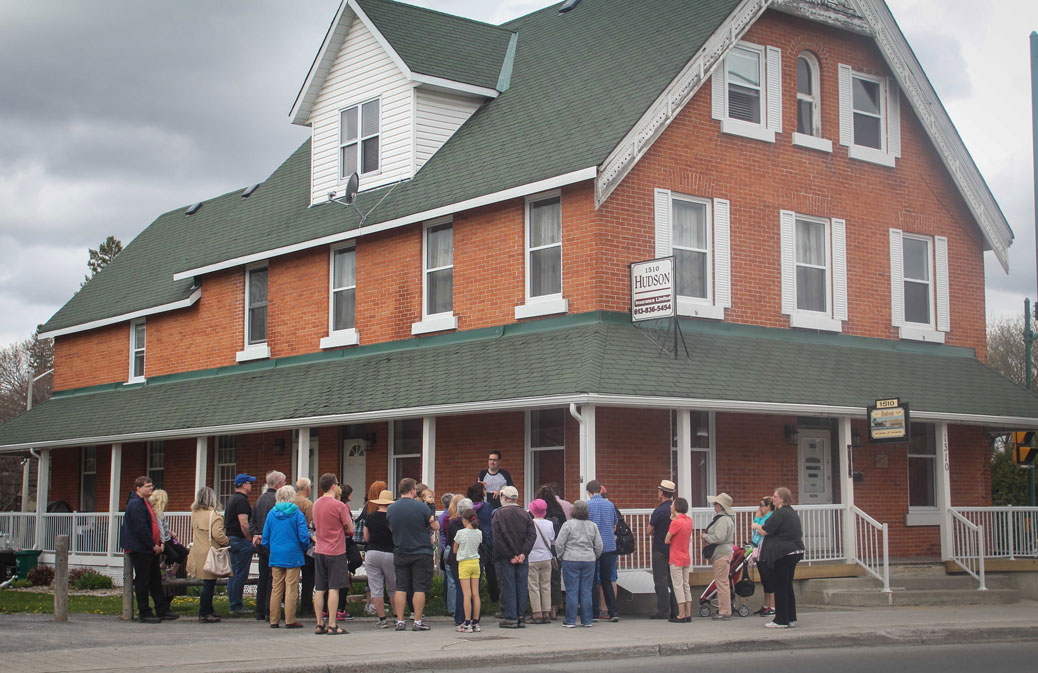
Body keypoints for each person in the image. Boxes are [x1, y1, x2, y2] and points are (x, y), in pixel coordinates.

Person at [120, 476, 177, 623]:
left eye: (151, 486)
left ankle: (161, 609)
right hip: (141, 548)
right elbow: (141, 528)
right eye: (147, 486)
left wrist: (159, 542)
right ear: (138, 488)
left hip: (150, 548)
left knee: (155, 580)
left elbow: (153, 525)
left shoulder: (145, 503)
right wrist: (152, 545)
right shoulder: (135, 504)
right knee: (143, 580)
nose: (150, 488)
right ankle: (144, 612)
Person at [386, 477, 438, 632]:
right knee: (419, 588)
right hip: (421, 551)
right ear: (412, 490)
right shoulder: (421, 507)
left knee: (401, 587)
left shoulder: (391, 508)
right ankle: (417, 621)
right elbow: (434, 525)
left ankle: (400, 621)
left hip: (401, 550)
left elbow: (390, 528)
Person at [753, 487, 804, 629]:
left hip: (782, 554)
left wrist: (756, 525)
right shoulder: (792, 513)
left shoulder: (779, 514)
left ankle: (781, 620)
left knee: (780, 586)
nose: (773, 499)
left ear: (781, 499)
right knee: (787, 585)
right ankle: (790, 618)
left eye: (775, 496)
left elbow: (765, 530)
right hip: (795, 552)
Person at [262, 484, 310, 629]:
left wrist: (272, 548)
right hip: (293, 554)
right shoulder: (297, 514)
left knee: (276, 588)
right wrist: (304, 548)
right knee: (291, 588)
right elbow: (303, 536)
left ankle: (274, 619)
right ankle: (290, 619)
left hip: (276, 554)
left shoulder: (271, 513)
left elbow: (265, 537)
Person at [311, 472, 353, 635]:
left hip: (320, 549)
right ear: (333, 486)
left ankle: (319, 623)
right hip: (336, 550)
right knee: (334, 588)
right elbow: (349, 528)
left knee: (320, 588)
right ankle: (333, 624)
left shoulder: (316, 504)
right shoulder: (339, 505)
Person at [491, 485, 535, 628]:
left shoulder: (499, 514)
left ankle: (511, 617)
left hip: (506, 557)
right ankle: (521, 616)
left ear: (504, 498)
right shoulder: (525, 514)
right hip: (523, 556)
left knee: (509, 586)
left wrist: (511, 555)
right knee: (522, 586)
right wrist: (523, 553)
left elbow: (498, 538)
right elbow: (531, 535)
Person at [555, 499, 602, 628]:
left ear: (574, 511)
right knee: (586, 591)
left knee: (572, 591)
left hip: (570, 558)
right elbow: (599, 545)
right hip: (589, 559)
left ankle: (570, 620)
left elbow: (559, 543)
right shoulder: (592, 525)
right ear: (586, 512)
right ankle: (587, 620)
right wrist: (595, 556)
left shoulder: (568, 525)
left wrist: (560, 556)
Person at [186, 486, 227, 623]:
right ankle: (205, 612)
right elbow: (218, 535)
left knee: (206, 583)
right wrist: (227, 541)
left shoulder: (195, 513)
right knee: (209, 584)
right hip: (210, 551)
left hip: (198, 550)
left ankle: (207, 610)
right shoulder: (214, 516)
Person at [251, 470, 286, 622]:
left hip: (261, 543)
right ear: (278, 485)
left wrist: (256, 534)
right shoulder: (276, 501)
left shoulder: (259, 499)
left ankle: (260, 610)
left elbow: (252, 522)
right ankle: (269, 610)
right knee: (274, 579)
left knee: (263, 577)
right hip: (273, 543)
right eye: (284, 483)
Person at [224, 473, 257, 616]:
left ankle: (233, 603)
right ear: (244, 485)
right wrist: (249, 539)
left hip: (232, 539)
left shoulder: (232, 499)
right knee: (240, 574)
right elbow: (244, 523)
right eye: (250, 483)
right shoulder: (242, 501)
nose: (251, 486)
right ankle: (236, 605)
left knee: (234, 573)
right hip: (240, 540)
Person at [586, 480, 618, 622]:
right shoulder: (610, 505)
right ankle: (613, 611)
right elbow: (614, 522)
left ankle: (594, 613)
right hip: (609, 545)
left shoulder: (588, 505)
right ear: (600, 490)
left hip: (592, 546)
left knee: (592, 580)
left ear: (589, 492)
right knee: (607, 579)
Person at [364, 489, 397, 628]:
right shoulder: (392, 518)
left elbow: (366, 538)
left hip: (372, 553)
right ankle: (397, 616)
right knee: (393, 587)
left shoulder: (370, 517)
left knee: (376, 588)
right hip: (389, 553)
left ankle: (382, 619)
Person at [701, 492, 736, 621]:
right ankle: (724, 610)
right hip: (723, 553)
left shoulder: (723, 520)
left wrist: (706, 537)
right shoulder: (726, 519)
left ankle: (725, 611)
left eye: (716, 504)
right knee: (723, 582)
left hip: (721, 554)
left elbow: (719, 538)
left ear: (721, 506)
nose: (714, 506)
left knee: (721, 583)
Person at [646, 479, 678, 620]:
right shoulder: (677, 510)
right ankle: (677, 610)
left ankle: (663, 610)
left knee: (661, 581)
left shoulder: (659, 511)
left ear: (662, 493)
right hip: (674, 548)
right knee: (674, 580)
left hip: (660, 548)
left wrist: (654, 531)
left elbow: (649, 530)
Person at [536, 484, 566, 620]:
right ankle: (554, 609)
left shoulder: (537, 510)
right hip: (555, 548)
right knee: (554, 579)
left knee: (539, 582)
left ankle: (542, 609)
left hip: (540, 548)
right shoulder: (558, 510)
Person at [466, 482, 498, 603]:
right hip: (487, 539)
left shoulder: (468, 508)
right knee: (490, 570)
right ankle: (494, 596)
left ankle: (474, 596)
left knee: (475, 570)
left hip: (472, 540)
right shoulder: (487, 507)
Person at [452, 508, 483, 633]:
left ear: (464, 520)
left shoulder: (460, 533)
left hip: (464, 563)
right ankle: (476, 622)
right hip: (476, 563)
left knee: (466, 594)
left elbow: (455, 549)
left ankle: (466, 622)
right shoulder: (479, 533)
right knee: (476, 594)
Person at [527, 498, 556, 624]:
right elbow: (552, 540)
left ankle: (537, 613)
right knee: (546, 585)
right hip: (546, 557)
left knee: (533, 586)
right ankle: (546, 612)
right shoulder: (550, 524)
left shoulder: (530, 523)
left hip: (532, 557)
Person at [665, 497, 693, 622]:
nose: (671, 506)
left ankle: (681, 614)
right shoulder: (688, 520)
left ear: (676, 507)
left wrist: (672, 521)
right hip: (686, 556)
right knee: (686, 585)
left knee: (678, 586)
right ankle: (688, 613)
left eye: (672, 504)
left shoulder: (675, 523)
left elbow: (667, 539)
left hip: (675, 557)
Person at [443, 495, 469, 629]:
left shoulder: (451, 521)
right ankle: (473, 617)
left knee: (456, 585)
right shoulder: (476, 524)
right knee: (471, 590)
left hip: (456, 556)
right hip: (471, 558)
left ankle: (457, 614)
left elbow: (450, 541)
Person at [148, 488, 186, 574]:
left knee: (183, 552)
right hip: (163, 540)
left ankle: (172, 572)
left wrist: (170, 532)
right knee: (173, 555)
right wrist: (162, 543)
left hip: (168, 537)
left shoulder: (160, 512)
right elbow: (159, 528)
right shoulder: (155, 513)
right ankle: (161, 568)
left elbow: (163, 527)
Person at [294, 478, 316, 617]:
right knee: (308, 577)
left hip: (292, 542)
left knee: (292, 577)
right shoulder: (308, 504)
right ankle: (306, 606)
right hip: (305, 543)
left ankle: (290, 605)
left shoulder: (291, 501)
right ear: (307, 489)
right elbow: (311, 524)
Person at [751, 496, 775, 617]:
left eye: (761, 505)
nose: (759, 508)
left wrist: (757, 526)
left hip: (766, 550)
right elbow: (755, 527)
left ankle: (773, 606)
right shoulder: (762, 517)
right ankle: (766, 605)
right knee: (764, 580)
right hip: (757, 549)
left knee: (769, 578)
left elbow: (762, 530)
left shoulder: (771, 517)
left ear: (768, 506)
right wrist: (756, 523)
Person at [438, 492, 457, 617]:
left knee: (449, 579)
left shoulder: (442, 517)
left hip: (444, 547)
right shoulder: (450, 517)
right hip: (451, 547)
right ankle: (454, 607)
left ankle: (449, 605)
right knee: (453, 580)